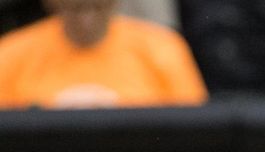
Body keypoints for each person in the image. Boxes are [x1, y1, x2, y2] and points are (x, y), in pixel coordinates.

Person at [0, 0, 206, 109]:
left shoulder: (162, 48)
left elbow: (196, 129)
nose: (86, 20)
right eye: (76, 8)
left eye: (97, 6)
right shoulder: (11, 54)